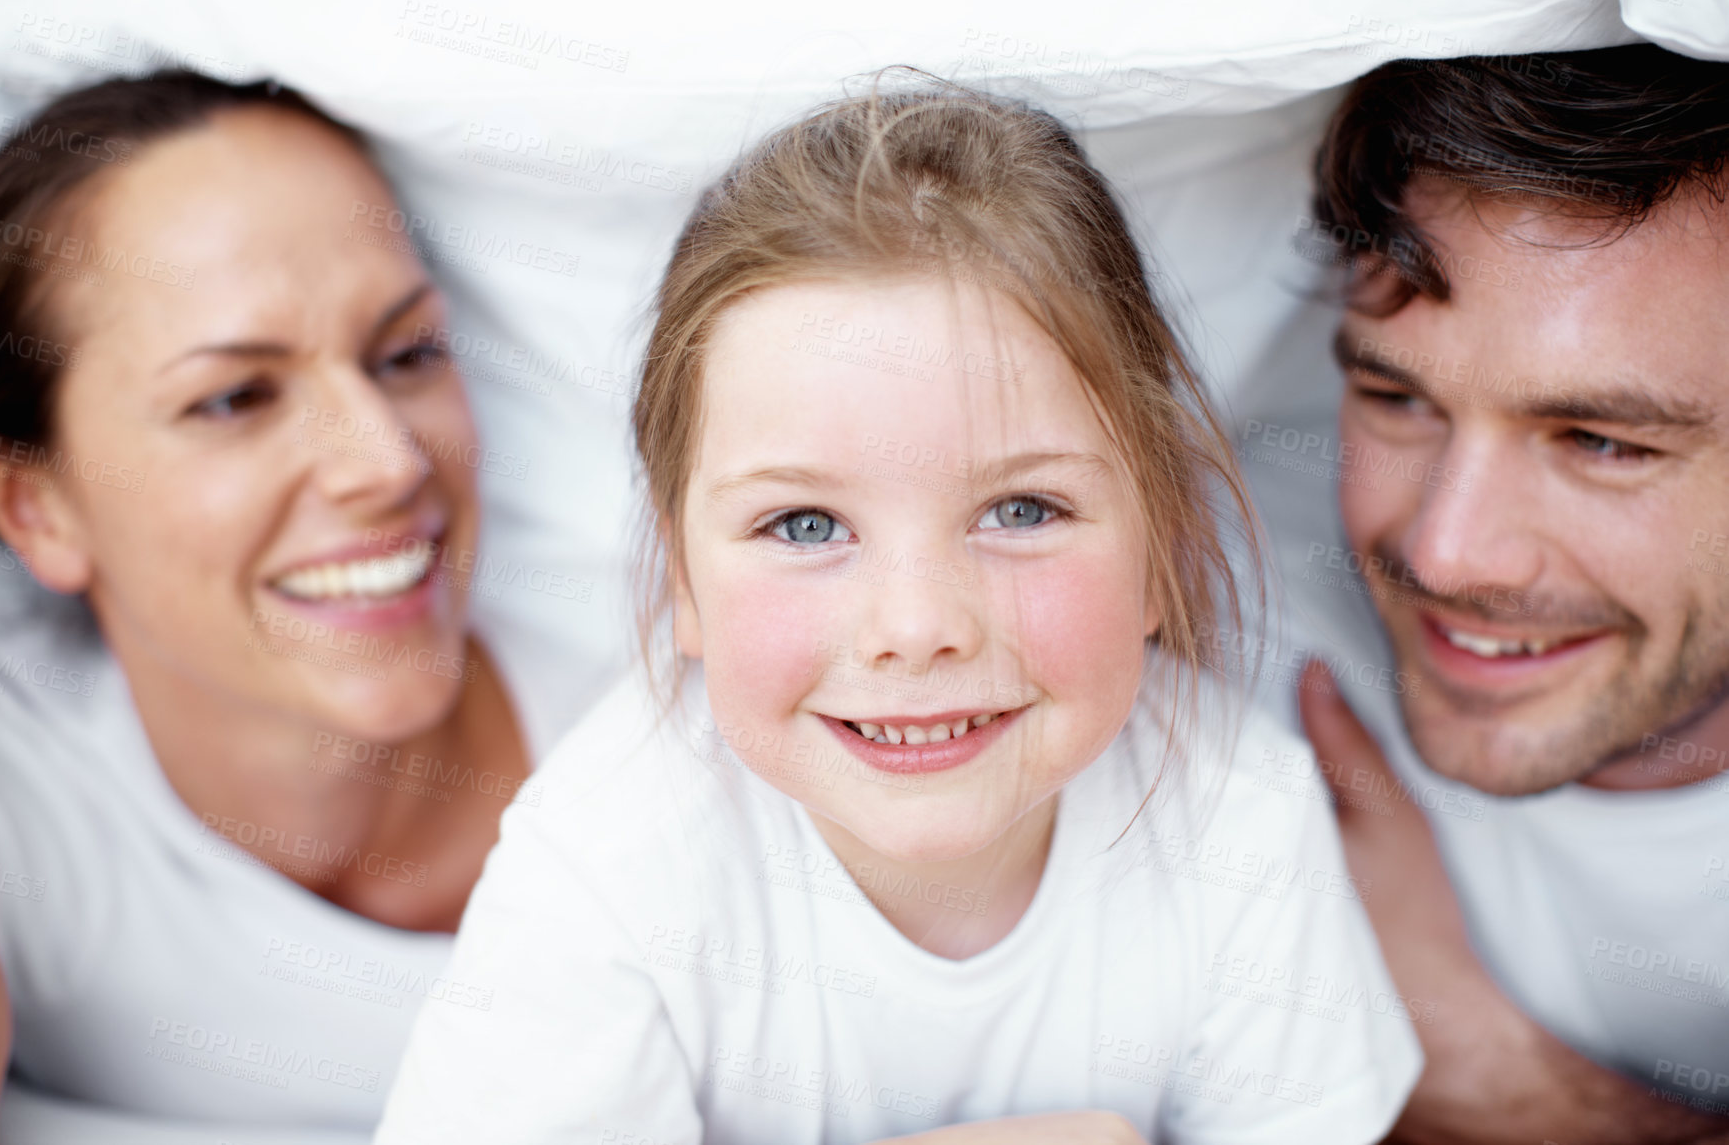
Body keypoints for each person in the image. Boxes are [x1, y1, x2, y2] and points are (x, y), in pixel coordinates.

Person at [375, 77, 1421, 1145]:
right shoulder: (606, 865)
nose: (918, 625)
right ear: (683, 582)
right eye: (805, 525)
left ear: (1157, 543)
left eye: (1021, 508)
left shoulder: (1238, 817)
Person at [0, 70, 604, 1133]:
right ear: (38, 510)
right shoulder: (30, 805)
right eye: (235, 396)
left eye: (408, 352)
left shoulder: (683, 737)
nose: (386, 459)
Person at [1258, 45, 1729, 1144]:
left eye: (1601, 441)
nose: (1446, 551)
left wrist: (1486, 1075)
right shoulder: (1181, 608)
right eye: (1394, 397)